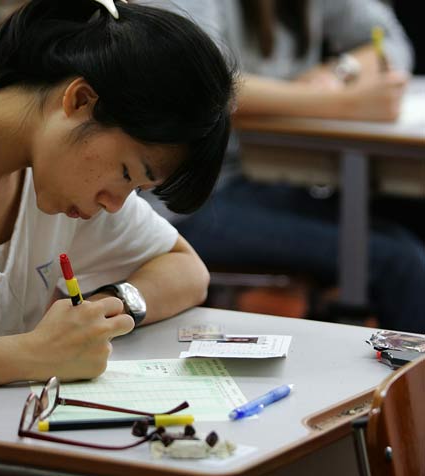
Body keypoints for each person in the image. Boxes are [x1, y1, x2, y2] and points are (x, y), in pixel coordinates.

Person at [0, 0, 234, 399]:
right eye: (126, 173)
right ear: (80, 101)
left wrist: (104, 313)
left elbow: (186, 270)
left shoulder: (54, 170)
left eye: (137, 188)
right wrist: (33, 354)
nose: (115, 203)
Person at [142, 0, 425, 333]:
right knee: (399, 261)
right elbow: (204, 82)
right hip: (186, 199)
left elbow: (389, 40)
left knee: (404, 236)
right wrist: (341, 104)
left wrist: (339, 70)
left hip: (255, 177)